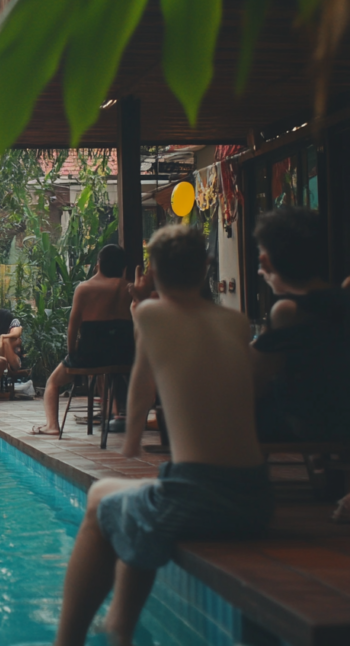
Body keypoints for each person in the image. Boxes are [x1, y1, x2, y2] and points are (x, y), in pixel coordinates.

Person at [53, 225, 272, 646]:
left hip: (200, 496)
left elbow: (140, 383)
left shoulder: (153, 314)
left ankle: (67, 641)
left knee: (100, 500)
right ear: (206, 266)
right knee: (139, 504)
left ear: (151, 270)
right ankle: (120, 626)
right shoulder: (235, 320)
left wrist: (132, 439)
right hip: (256, 496)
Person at [250, 207, 350, 444]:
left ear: (266, 261)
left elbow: (253, 382)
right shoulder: (341, 298)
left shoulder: (290, 311)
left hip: (313, 425)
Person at [35, 244, 134, 436]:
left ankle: (52, 426)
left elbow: (73, 327)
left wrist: (72, 354)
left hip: (90, 356)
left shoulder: (85, 288)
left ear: (98, 264)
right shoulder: (128, 288)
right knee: (107, 373)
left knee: (53, 383)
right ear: (123, 267)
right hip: (122, 357)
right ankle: (112, 413)